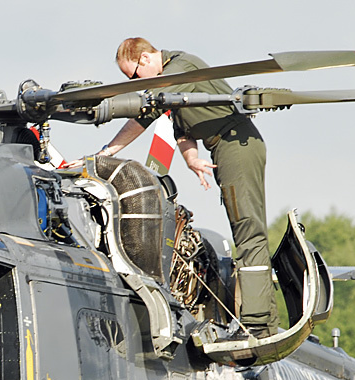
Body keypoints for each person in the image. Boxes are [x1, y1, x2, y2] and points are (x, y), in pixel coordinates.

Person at [80, 37, 278, 339]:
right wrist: (192, 159)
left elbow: (144, 115)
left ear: (146, 59)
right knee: (244, 228)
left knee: (247, 229)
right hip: (222, 147)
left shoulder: (182, 68)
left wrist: (107, 151)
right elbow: (182, 128)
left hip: (236, 144)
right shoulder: (174, 82)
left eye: (133, 76)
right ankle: (260, 320)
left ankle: (258, 324)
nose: (135, 84)